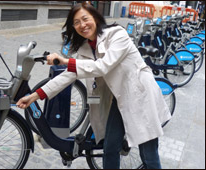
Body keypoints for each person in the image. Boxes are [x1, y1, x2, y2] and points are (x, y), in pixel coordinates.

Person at [17, 2, 171, 169]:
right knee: (110, 147)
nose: (82, 25)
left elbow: (103, 65)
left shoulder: (117, 34)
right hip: (119, 100)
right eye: (76, 22)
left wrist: (66, 61)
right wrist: (35, 95)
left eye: (85, 19)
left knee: (148, 154)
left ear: (96, 18)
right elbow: (69, 74)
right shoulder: (85, 48)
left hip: (139, 95)